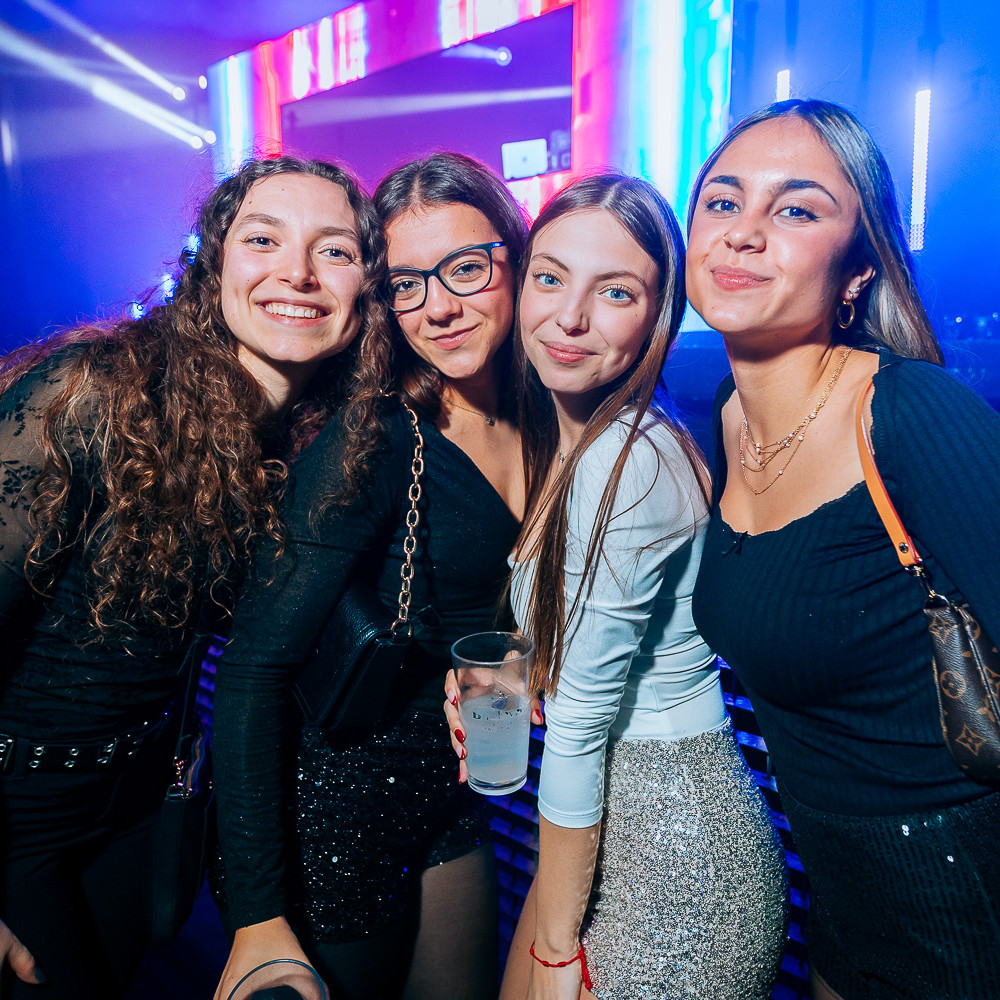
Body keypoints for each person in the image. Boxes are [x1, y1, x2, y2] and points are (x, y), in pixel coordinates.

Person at [0, 154, 386, 1000]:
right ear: (213, 267)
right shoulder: (96, 392)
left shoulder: (311, 445)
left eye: (334, 250)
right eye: (263, 240)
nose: (297, 272)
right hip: (16, 814)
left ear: (367, 291)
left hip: (137, 812)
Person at [687, 98, 1000, 1000]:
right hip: (836, 896)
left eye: (795, 209)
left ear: (859, 268)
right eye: (723, 201)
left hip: (957, 896)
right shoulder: (728, 417)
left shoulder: (910, 413)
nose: (744, 232)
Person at [447, 174, 787, 1000]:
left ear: (658, 315)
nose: (569, 317)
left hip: (674, 862)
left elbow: (580, 726)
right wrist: (516, 670)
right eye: (551, 277)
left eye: (615, 292)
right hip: (602, 829)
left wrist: (556, 952)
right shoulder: (573, 438)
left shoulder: (626, 461)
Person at [212, 152, 529, 1000]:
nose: (440, 306)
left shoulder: (547, 418)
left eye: (466, 267)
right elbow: (252, 672)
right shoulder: (376, 437)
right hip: (337, 813)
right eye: (407, 283)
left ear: (515, 258)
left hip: (454, 798)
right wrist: (258, 916)